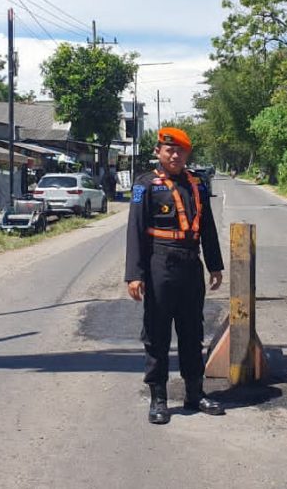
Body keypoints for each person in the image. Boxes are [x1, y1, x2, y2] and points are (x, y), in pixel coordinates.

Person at [125, 127, 225, 425]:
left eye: (181, 150)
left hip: (191, 264)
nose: (175, 155)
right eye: (170, 150)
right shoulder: (145, 185)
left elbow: (207, 227)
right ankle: (158, 399)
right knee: (157, 333)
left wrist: (215, 265)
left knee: (192, 331)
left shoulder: (197, 185)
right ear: (158, 151)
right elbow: (135, 230)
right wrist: (134, 274)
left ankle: (195, 393)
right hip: (160, 264)